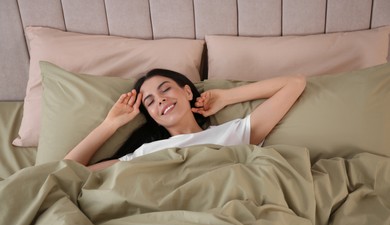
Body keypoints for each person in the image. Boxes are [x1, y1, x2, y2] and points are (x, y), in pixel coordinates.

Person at [65, 69, 306, 171]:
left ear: (187, 92)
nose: (159, 99)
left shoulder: (232, 133)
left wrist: (226, 97)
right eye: (149, 102)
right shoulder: (142, 154)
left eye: (165, 89)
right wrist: (110, 124)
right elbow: (66, 170)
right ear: (152, 117)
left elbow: (294, 83)